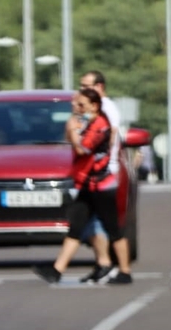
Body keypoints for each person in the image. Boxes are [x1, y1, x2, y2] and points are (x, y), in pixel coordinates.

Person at [33, 88, 121, 285]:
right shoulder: (87, 122)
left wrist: (73, 131)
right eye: (76, 104)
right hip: (86, 181)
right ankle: (95, 265)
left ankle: (121, 269)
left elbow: (82, 149)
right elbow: (73, 142)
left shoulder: (100, 124)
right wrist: (72, 129)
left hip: (98, 182)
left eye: (81, 104)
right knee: (81, 226)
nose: (78, 108)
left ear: (94, 105)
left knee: (107, 227)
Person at [79, 71, 133, 284]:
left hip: (104, 175)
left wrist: (101, 161)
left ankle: (120, 269)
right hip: (94, 175)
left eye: (86, 86)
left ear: (100, 86)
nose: (82, 89)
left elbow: (107, 138)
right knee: (92, 223)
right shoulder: (92, 108)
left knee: (107, 225)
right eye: (81, 85)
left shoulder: (106, 109)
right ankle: (104, 264)